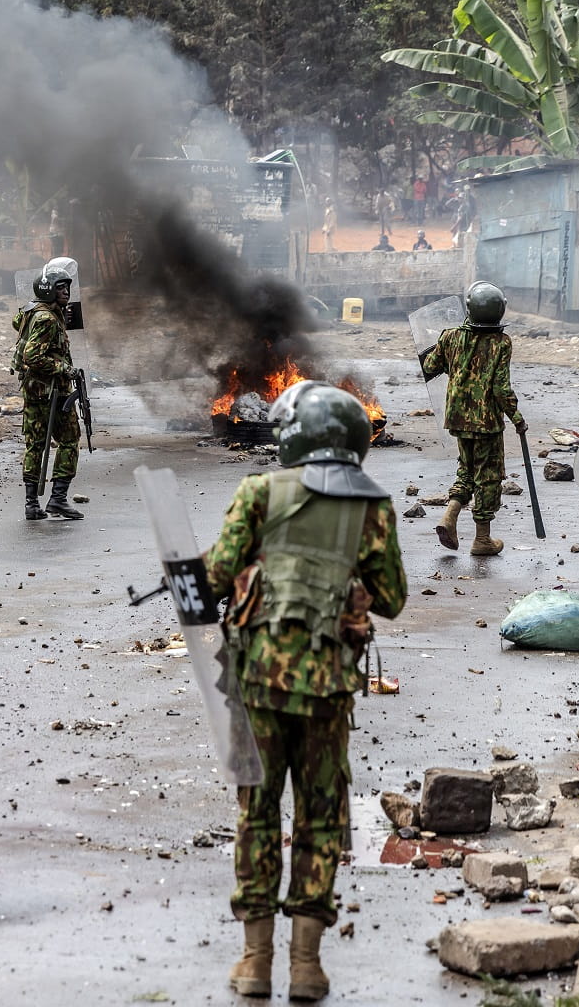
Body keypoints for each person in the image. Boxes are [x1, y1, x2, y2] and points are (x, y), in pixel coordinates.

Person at [202, 382, 406, 1002]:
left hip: (258, 683)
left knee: (257, 815)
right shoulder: (372, 508)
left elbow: (214, 577)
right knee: (321, 818)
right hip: (328, 690)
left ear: (291, 436)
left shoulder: (259, 493)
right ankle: (308, 967)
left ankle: (255, 962)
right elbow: (393, 598)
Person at [422, 281, 527, 556]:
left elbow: (430, 366)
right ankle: (482, 540)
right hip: (487, 423)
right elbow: (500, 387)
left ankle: (450, 515)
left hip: (457, 419)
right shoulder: (501, 342)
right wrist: (516, 417)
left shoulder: (450, 336)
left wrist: (449, 354)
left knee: (466, 470)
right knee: (489, 477)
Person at [11, 258, 83, 521]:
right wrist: (66, 370)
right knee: (69, 441)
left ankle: (32, 505)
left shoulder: (32, 311)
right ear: (49, 289)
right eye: (61, 287)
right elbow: (33, 357)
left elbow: (16, 323)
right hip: (52, 392)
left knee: (35, 445)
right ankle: (58, 500)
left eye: (67, 287)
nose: (67, 292)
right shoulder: (47, 319)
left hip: (34, 391)